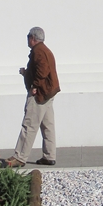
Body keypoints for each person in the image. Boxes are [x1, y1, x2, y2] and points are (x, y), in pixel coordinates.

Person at [8, 27, 60, 169]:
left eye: (28, 37)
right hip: (49, 92)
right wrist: (27, 73)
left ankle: (20, 157)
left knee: (29, 124)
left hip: (40, 93)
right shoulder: (45, 50)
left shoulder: (38, 51)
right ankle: (49, 155)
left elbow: (42, 70)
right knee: (47, 125)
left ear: (32, 38)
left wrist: (35, 85)